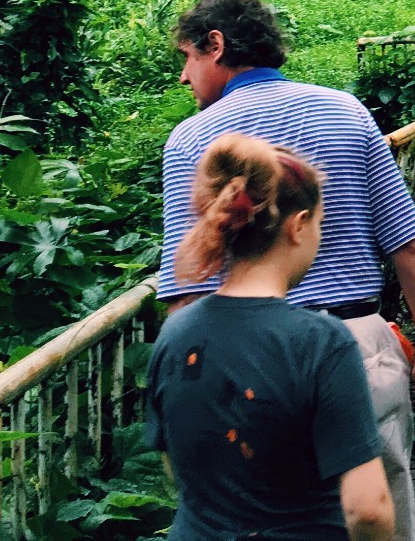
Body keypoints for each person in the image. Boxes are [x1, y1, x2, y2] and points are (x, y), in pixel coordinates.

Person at [160, 0, 415, 541]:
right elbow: (409, 245)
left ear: (215, 45)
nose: (184, 76)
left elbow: (187, 292)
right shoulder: (345, 109)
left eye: (187, 57)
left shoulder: (192, 143)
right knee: (378, 510)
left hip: (243, 367)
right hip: (359, 344)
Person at [149, 132, 395, 541]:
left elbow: (176, 468)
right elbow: (368, 510)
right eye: (320, 222)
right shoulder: (321, 342)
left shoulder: (175, 332)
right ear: (298, 226)